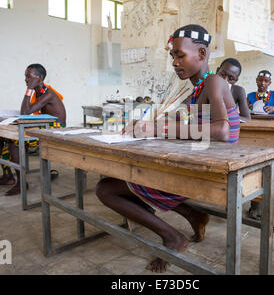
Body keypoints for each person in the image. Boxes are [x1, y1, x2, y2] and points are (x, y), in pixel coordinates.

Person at [95, 24, 241, 273]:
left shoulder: (214, 83)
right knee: (121, 175)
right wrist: (146, 123)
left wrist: (154, 129)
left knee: (106, 189)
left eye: (180, 55)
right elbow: (179, 120)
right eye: (172, 55)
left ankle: (173, 237)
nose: (174, 62)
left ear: (202, 54)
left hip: (212, 172)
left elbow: (221, 132)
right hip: (198, 163)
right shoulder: (197, 89)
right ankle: (193, 216)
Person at [0, 64, 66, 196]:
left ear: (39, 78)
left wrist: (29, 89)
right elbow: (27, 112)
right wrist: (31, 89)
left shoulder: (48, 94)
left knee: (14, 143)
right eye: (25, 76)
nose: (25, 79)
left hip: (54, 130)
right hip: (44, 126)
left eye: (28, 76)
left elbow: (25, 112)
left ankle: (22, 182)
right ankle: (7, 176)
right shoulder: (39, 92)